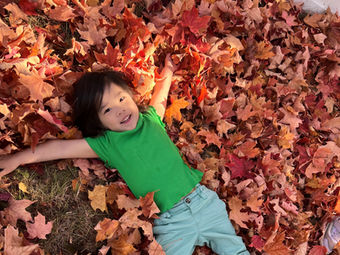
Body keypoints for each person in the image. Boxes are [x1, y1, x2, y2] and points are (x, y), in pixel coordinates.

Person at [0, 55, 249, 255]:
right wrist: (18, 158)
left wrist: (169, 71)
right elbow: (59, 149)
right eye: (108, 109)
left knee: (235, 251)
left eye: (122, 98)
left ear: (131, 96)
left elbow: (161, 97)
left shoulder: (151, 119)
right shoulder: (107, 143)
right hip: (171, 223)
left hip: (204, 203)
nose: (120, 110)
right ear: (96, 121)